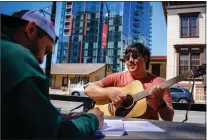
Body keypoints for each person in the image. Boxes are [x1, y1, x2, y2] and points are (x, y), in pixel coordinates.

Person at [1, 10, 104, 139]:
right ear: (31, 30)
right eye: (46, 50)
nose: (41, 60)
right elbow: (55, 136)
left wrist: (53, 118)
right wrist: (92, 119)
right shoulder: (17, 58)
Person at [85, 43, 174, 121]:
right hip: (117, 128)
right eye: (127, 58)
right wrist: (109, 93)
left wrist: (160, 101)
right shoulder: (117, 77)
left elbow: (169, 118)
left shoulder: (160, 83)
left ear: (145, 59)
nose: (130, 60)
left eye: (135, 56)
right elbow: (88, 90)